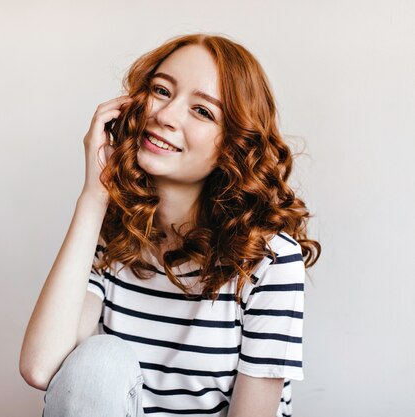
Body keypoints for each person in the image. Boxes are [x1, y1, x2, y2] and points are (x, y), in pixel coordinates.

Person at [19, 33, 321, 417]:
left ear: (233, 144)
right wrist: (94, 197)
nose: (165, 116)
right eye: (161, 91)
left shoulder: (271, 261)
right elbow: (40, 367)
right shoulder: (115, 235)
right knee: (100, 360)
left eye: (202, 111)